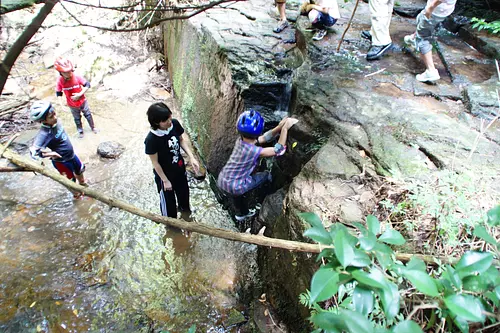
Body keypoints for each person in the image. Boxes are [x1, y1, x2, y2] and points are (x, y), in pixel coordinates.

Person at [217, 110, 299, 221]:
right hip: (237, 186)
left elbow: (264, 138)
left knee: (237, 197)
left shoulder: (240, 141)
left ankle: (241, 215)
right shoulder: (254, 151)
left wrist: (279, 127)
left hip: (223, 180)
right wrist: (285, 129)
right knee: (265, 175)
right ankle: (267, 188)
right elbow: (278, 150)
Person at [144, 102, 200, 220]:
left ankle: (186, 218)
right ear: (156, 122)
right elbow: (155, 163)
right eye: (165, 121)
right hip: (164, 176)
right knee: (169, 211)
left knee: (185, 202)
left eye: (170, 118)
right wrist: (165, 181)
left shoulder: (174, 124)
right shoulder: (151, 139)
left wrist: (192, 157)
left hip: (179, 171)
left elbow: (181, 140)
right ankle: (172, 230)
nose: (169, 122)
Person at [29, 100, 87, 197]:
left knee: (80, 170)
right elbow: (33, 153)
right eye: (51, 117)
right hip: (62, 162)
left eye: (54, 114)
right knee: (70, 181)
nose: (55, 117)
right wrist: (51, 154)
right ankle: (77, 196)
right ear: (43, 121)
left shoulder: (56, 121)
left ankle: (83, 184)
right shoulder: (44, 134)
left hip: (71, 155)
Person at [404, 0, 457, 82]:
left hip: (435, 10)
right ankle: (414, 38)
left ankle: (431, 71)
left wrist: (430, 7)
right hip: (443, 10)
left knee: (423, 39)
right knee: (421, 19)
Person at [54, 57, 97, 138]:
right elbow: (58, 93)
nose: (68, 74)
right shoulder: (60, 81)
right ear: (60, 72)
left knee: (88, 114)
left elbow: (87, 85)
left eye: (69, 71)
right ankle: (80, 131)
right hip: (72, 104)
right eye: (65, 72)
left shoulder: (77, 77)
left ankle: (93, 127)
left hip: (82, 101)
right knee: (77, 118)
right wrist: (61, 105)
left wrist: (80, 94)